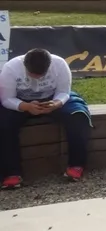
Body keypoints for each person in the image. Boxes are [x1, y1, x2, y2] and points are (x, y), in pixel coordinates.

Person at [0, 49, 91, 189]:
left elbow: (64, 92)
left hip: (52, 98)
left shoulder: (60, 64)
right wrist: (26, 106)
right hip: (20, 100)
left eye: (41, 75)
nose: (37, 79)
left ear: (49, 66)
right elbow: (6, 99)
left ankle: (76, 165)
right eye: (32, 75)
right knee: (4, 123)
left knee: (78, 116)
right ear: (24, 65)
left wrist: (56, 104)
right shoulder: (11, 68)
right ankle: (11, 173)